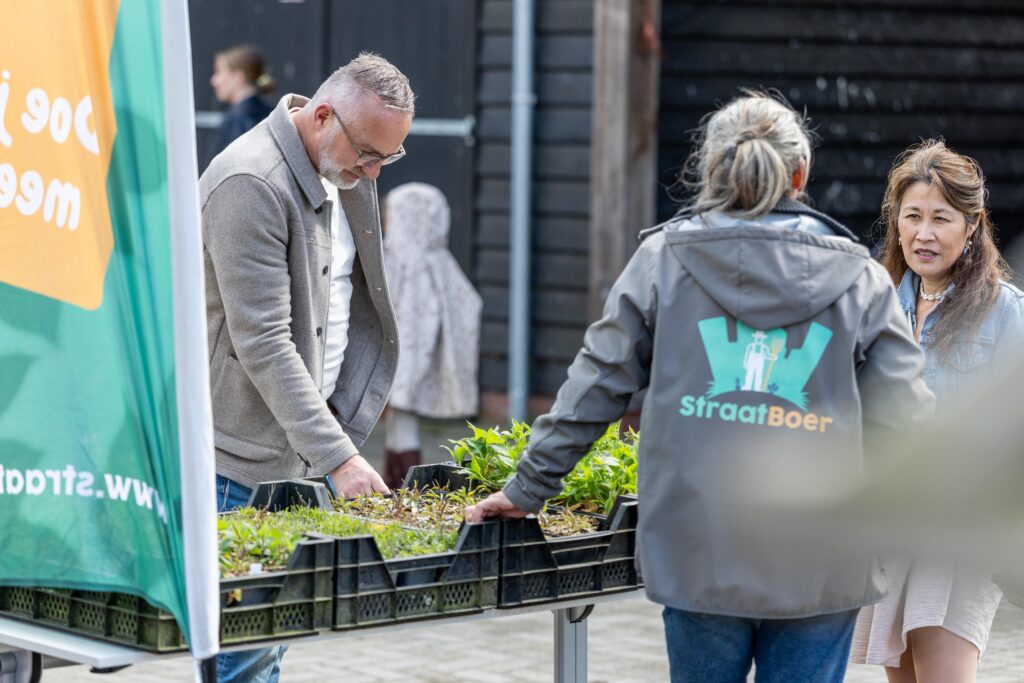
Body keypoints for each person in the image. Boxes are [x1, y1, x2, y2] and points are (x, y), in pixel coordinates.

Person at [465, 91, 935, 683]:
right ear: (801, 173)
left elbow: (595, 386)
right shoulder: (862, 279)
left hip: (697, 547)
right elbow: (910, 425)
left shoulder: (663, 259)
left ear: (711, 169)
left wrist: (529, 487)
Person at [200, 52, 414, 682]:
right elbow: (263, 341)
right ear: (323, 116)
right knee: (243, 659)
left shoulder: (343, 167)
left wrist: (334, 441)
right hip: (240, 466)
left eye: (389, 158)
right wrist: (340, 459)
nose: (374, 171)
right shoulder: (250, 182)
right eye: (370, 153)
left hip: (304, 453)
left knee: (273, 644)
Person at [850, 140, 1024, 682]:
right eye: (913, 217)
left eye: (941, 219)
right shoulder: (874, 304)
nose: (924, 234)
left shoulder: (1004, 312)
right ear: (896, 221)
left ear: (972, 226)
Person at [380, 183, 482, 489]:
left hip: (404, 361)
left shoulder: (404, 265)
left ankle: (410, 487)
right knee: (399, 422)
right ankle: (393, 481)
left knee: (404, 419)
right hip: (408, 362)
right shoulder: (437, 264)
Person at [208, 44, 276, 160]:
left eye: (219, 72)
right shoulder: (271, 114)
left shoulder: (238, 121)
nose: (214, 81)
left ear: (238, 77)